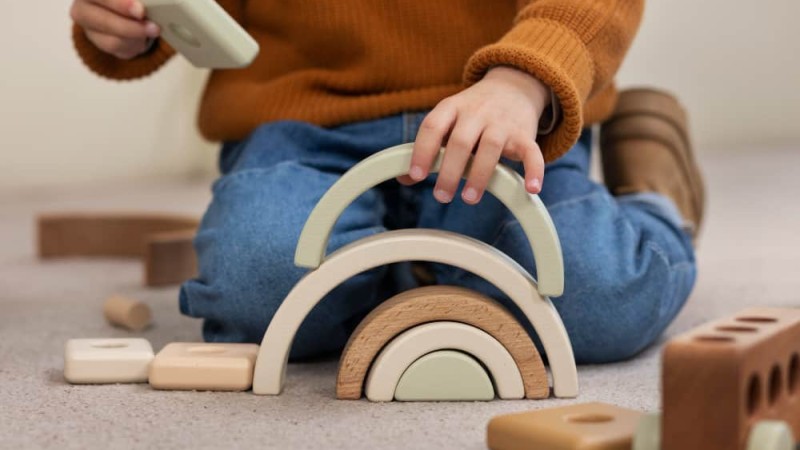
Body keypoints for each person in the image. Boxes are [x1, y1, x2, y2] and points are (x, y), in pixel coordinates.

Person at [69, 0, 704, 363]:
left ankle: (654, 192)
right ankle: (426, 262)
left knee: (596, 297)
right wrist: (127, 20)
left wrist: (522, 81)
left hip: (503, 114)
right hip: (302, 121)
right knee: (266, 295)